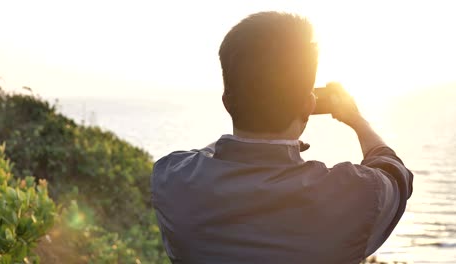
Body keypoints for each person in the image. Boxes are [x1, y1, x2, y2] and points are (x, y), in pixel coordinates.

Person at [151, 11, 413, 264]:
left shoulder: (170, 179)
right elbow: (394, 171)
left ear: (227, 103)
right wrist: (356, 120)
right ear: (308, 106)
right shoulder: (357, 195)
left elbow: (205, 156)